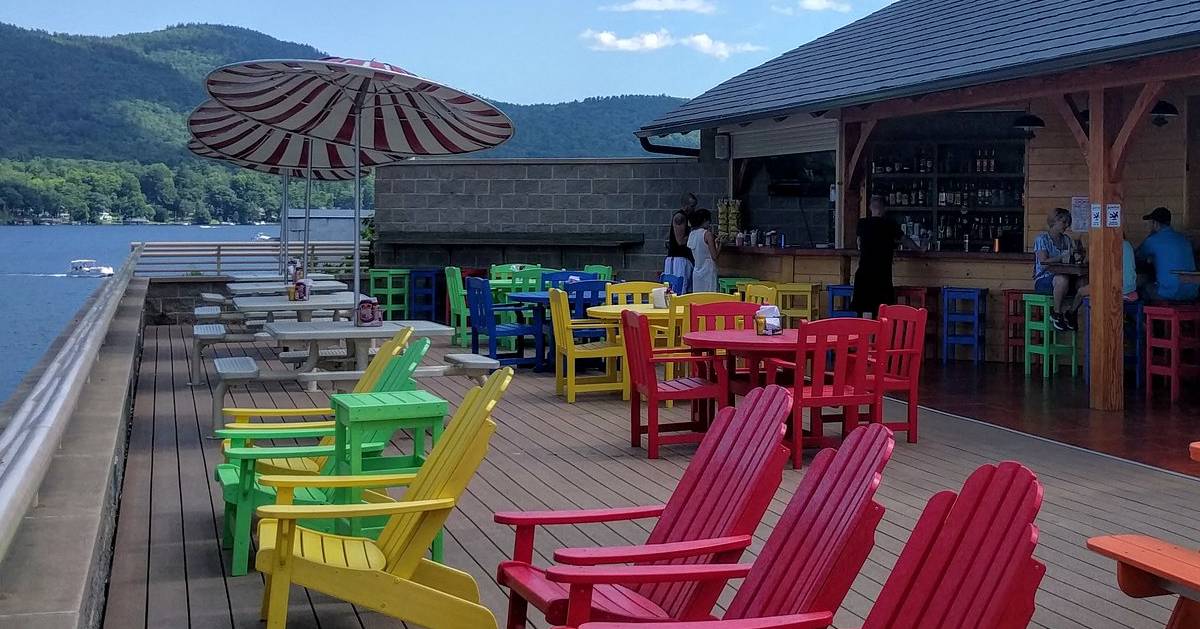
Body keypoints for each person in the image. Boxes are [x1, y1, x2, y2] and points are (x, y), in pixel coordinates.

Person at [851, 195, 922, 317]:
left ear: (870, 208)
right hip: (882, 275)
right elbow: (905, 240)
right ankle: (882, 334)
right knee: (883, 310)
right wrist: (919, 249)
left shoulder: (862, 223)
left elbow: (858, 243)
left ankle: (863, 333)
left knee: (862, 310)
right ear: (884, 209)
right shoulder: (890, 224)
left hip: (864, 273)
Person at [1136, 207, 1198, 302]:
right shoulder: (1184, 239)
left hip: (1169, 293)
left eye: (1151, 223)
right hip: (1193, 293)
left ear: (1155, 224)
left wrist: (1150, 236)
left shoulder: (1153, 240)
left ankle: (1143, 316)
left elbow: (1138, 256)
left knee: (1142, 288)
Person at [1032, 207, 1079, 331]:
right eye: (1064, 222)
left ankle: (1071, 313)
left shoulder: (1067, 240)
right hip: (1044, 279)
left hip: (1065, 277)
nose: (1067, 225)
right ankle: (1056, 314)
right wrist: (1062, 257)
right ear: (1054, 221)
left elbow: (1072, 257)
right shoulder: (1041, 239)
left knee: (1083, 282)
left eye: (1068, 222)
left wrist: (1078, 256)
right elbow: (1043, 262)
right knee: (1062, 279)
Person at [664, 192, 697, 293]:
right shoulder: (680, 217)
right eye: (692, 206)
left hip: (683, 259)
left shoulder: (687, 218)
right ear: (686, 206)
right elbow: (680, 241)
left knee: (684, 289)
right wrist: (696, 234)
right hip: (678, 259)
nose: (694, 209)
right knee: (678, 290)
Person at [687, 208, 721, 293]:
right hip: (708, 270)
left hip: (697, 269)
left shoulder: (692, 234)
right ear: (705, 220)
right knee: (709, 296)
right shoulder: (707, 234)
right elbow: (714, 256)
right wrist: (721, 244)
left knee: (698, 297)